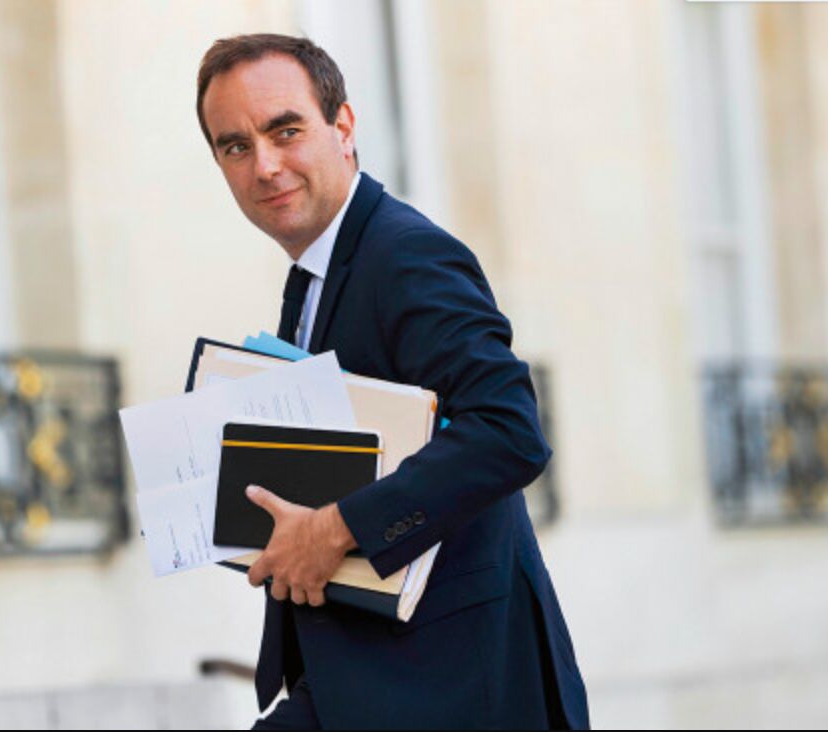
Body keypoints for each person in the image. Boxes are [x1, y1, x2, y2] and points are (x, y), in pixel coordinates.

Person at [196, 33, 589, 730]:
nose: (265, 165)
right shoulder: (316, 274)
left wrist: (336, 529)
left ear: (343, 127)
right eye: (235, 146)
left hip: (453, 687)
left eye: (285, 130)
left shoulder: (406, 254)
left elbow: (507, 431)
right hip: (365, 678)